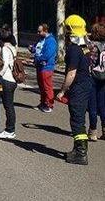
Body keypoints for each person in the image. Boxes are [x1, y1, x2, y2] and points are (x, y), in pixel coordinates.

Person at [57, 15, 94, 165]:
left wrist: (62, 90)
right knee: (79, 120)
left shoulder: (73, 49)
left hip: (78, 87)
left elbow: (71, 73)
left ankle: (81, 153)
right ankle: (77, 150)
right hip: (86, 85)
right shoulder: (85, 47)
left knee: (77, 121)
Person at [30, 23, 58, 112]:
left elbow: (47, 54)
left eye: (39, 31)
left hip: (46, 67)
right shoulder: (41, 39)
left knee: (47, 86)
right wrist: (32, 49)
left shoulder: (51, 41)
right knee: (41, 86)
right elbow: (38, 49)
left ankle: (49, 104)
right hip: (39, 66)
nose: (38, 33)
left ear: (45, 31)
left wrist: (37, 59)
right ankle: (43, 103)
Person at [0, 26, 18, 139]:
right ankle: (10, 129)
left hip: (6, 79)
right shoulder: (13, 47)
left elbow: (4, 64)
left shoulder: (5, 49)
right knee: (9, 105)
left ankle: (10, 130)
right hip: (13, 80)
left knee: (8, 106)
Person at [88, 22, 105, 140]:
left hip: (92, 76)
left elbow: (89, 60)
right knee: (103, 104)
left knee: (92, 105)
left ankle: (93, 130)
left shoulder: (91, 46)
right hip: (103, 76)